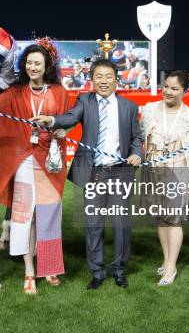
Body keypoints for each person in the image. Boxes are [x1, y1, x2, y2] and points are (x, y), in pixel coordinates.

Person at [33, 59, 143, 290]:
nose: (104, 81)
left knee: (121, 225)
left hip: (120, 173)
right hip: (94, 174)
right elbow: (71, 117)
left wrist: (137, 154)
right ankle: (97, 272)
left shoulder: (129, 107)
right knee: (93, 225)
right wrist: (52, 120)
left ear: (116, 79)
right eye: (99, 77)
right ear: (92, 80)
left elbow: (137, 138)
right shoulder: (85, 101)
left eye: (108, 76)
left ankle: (119, 270)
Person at [0, 39, 71, 295]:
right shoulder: (16, 92)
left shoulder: (59, 92)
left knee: (47, 216)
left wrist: (60, 128)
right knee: (24, 215)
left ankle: (48, 267)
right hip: (25, 162)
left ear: (47, 65)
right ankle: (29, 270)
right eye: (28, 63)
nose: (32, 67)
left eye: (37, 63)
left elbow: (66, 120)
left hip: (50, 163)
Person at [139, 70, 189, 286]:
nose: (167, 91)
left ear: (185, 90)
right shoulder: (149, 110)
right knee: (161, 217)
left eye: (174, 88)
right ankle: (167, 260)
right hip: (153, 172)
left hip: (179, 174)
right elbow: (141, 136)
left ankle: (170, 267)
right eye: (166, 86)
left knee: (174, 219)